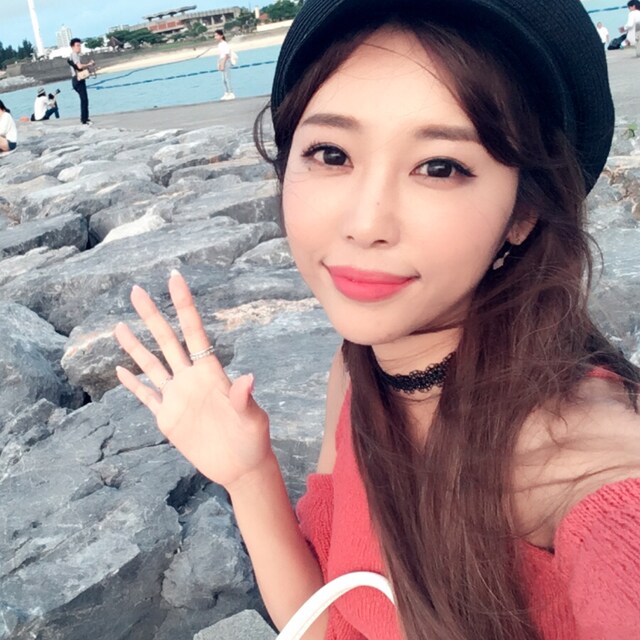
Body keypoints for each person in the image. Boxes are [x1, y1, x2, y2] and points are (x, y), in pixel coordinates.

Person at [115, 1, 640, 639]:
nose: (366, 224)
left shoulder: (592, 471)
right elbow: (332, 622)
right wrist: (248, 474)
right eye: (332, 154)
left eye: (440, 167)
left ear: (523, 214)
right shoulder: (358, 368)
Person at [68, 37, 94, 125]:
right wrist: (89, 64)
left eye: (80, 45)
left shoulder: (73, 55)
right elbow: (79, 66)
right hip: (78, 79)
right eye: (77, 45)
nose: (79, 47)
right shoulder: (74, 55)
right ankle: (84, 119)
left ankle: (85, 118)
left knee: (84, 99)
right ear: (72, 46)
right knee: (84, 99)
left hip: (76, 79)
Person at [214, 29, 235, 101]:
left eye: (217, 35)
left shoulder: (224, 44)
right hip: (222, 61)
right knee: (223, 79)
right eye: (215, 36)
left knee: (227, 78)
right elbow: (220, 55)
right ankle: (226, 93)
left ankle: (231, 93)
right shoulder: (219, 44)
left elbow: (226, 55)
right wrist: (219, 63)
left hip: (225, 62)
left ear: (221, 36)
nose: (215, 37)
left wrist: (222, 64)